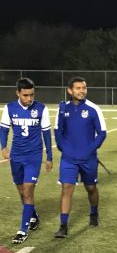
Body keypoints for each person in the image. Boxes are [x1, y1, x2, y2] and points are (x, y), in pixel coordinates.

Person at [0, 77, 52, 244]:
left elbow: (46, 134)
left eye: (32, 95)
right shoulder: (9, 108)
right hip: (16, 156)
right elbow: (3, 130)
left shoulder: (41, 109)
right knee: (22, 193)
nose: (29, 99)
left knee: (28, 191)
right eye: (26, 95)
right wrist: (3, 147)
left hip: (33, 157)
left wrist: (49, 157)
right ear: (18, 93)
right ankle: (34, 215)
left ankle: (23, 230)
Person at [54, 76, 106, 238]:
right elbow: (58, 131)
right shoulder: (63, 108)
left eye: (84, 88)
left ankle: (93, 212)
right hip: (68, 158)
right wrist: (63, 148)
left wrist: (90, 149)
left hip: (88, 158)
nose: (82, 91)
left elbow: (102, 133)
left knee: (90, 188)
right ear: (70, 90)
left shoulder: (93, 108)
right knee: (67, 188)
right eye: (78, 88)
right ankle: (63, 226)